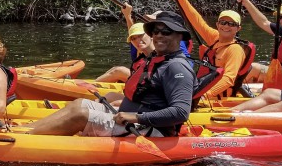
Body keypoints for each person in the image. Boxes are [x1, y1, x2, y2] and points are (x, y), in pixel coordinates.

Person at [26, 11, 194, 137]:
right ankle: (27, 130)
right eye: (156, 31)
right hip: (127, 118)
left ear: (179, 36)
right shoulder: (157, 58)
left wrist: (135, 117)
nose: (158, 36)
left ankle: (26, 140)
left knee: (81, 115)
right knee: (80, 104)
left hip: (149, 129)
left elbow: (180, 112)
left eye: (166, 32)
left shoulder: (178, 67)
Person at [167, 0, 254, 99]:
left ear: (238, 29)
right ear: (217, 25)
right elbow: (197, 21)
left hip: (216, 98)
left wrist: (204, 95)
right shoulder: (215, 37)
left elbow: (228, 79)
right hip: (202, 89)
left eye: (232, 24)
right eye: (223, 22)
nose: (226, 26)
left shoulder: (235, 50)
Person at [97, 2, 153, 83]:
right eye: (150, 21)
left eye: (154, 21)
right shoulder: (141, 45)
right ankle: (95, 83)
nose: (137, 40)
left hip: (148, 80)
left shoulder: (162, 42)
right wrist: (127, 15)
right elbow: (133, 32)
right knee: (115, 69)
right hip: (142, 76)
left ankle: (89, 86)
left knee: (119, 71)